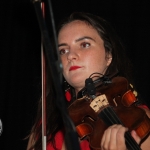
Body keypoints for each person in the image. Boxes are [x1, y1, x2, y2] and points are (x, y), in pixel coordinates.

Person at [27, 12, 150, 150]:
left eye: (84, 44)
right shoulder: (47, 123)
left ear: (108, 56)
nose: (71, 55)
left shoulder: (137, 121)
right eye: (63, 50)